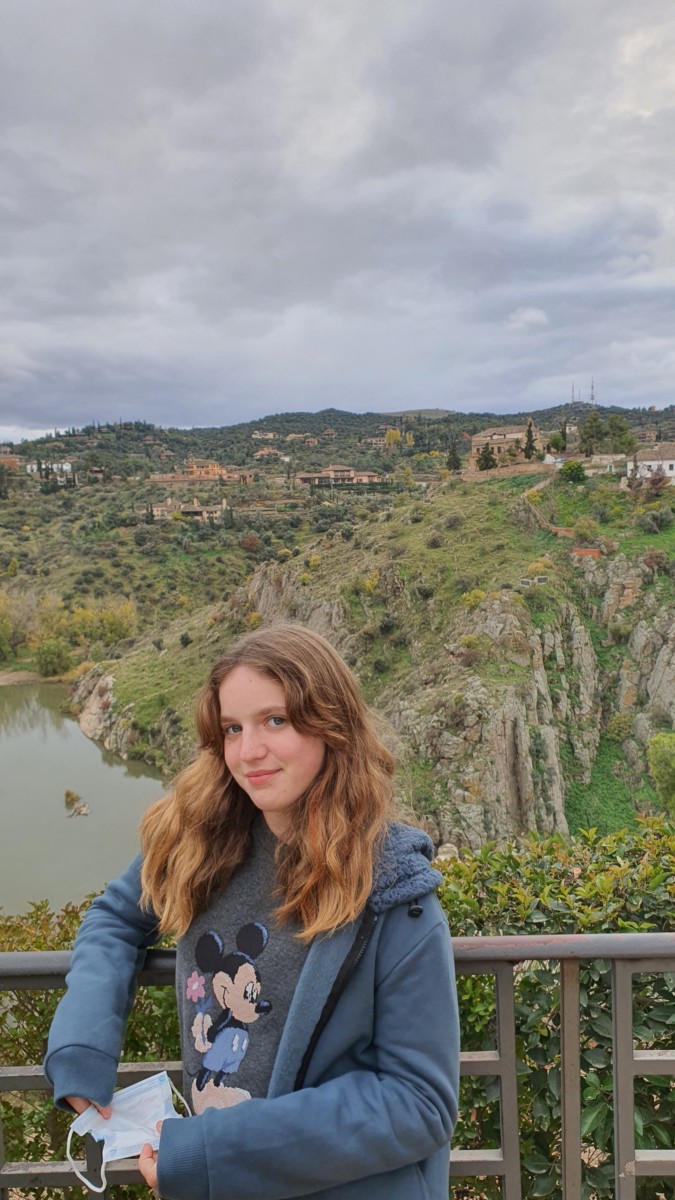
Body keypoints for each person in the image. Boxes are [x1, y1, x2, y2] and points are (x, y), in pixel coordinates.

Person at [45, 623, 459, 1200]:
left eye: (276, 721)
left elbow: (419, 1104)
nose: (248, 751)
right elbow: (115, 919)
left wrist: (211, 1153)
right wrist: (82, 1048)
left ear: (332, 724)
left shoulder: (390, 889)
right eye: (232, 728)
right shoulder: (198, 839)